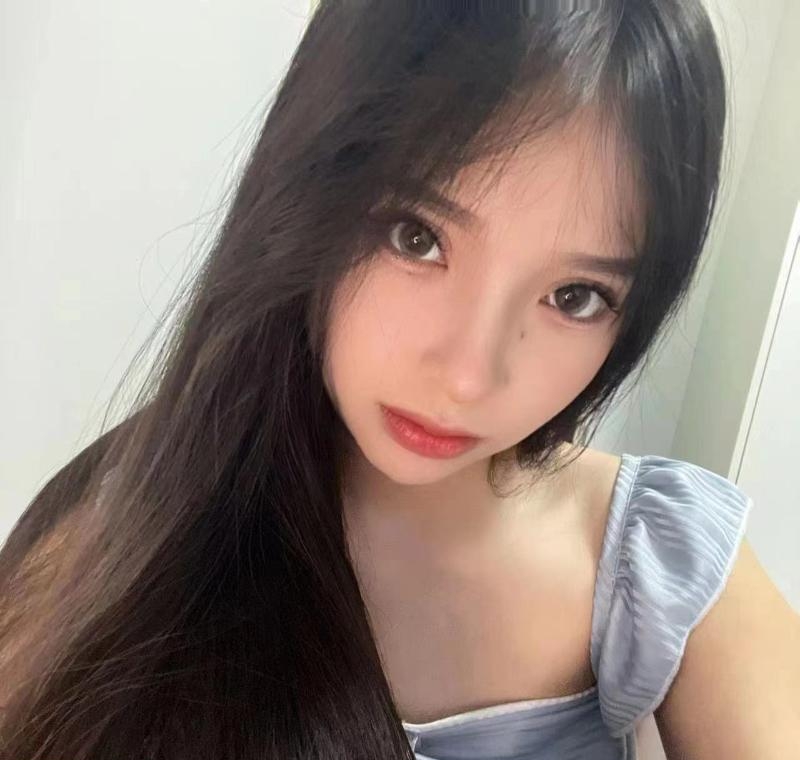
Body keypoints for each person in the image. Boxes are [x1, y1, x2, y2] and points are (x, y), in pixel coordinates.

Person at [1, 2, 798, 759]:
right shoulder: (119, 532)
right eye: (417, 237)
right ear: (308, 193)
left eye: (575, 297)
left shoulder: (661, 562)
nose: (468, 376)